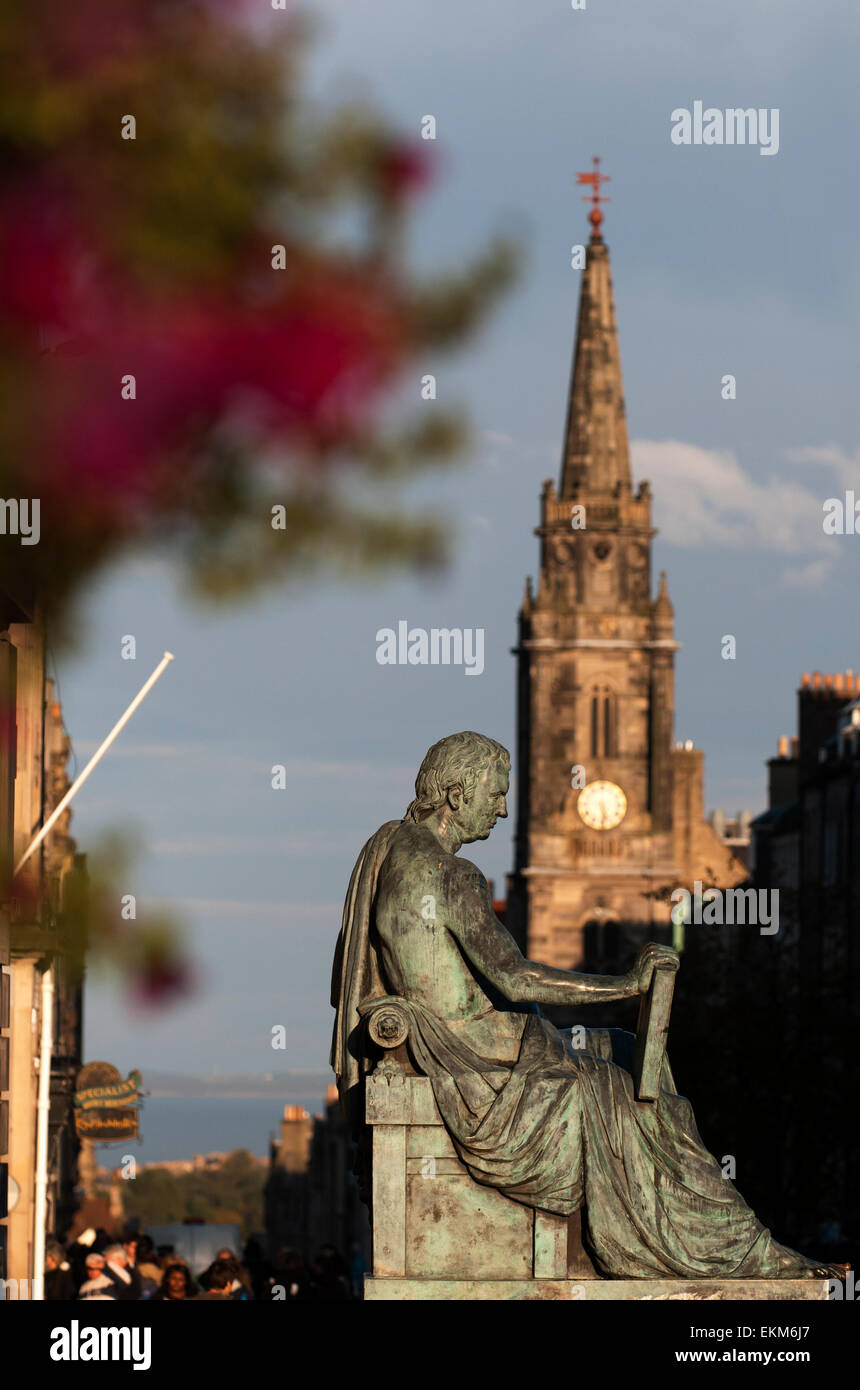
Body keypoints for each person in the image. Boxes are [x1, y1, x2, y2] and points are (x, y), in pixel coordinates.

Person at [332, 731, 840, 1281]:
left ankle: (727, 1237)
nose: (504, 810)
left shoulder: (391, 846)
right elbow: (516, 977)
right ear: (456, 795)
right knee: (639, 1097)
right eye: (496, 794)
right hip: (471, 1050)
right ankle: (732, 1249)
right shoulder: (452, 875)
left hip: (462, 1040)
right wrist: (626, 985)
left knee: (628, 1049)